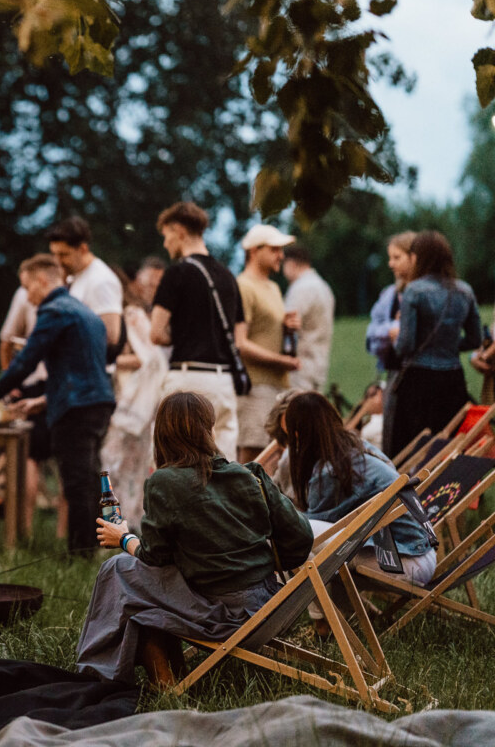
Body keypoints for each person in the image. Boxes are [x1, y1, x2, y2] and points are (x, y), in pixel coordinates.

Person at [76, 391, 312, 688]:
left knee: (119, 570)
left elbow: (153, 558)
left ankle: (106, 675)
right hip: (270, 605)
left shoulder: (166, 482)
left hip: (226, 617)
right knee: (137, 582)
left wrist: (123, 538)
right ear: (208, 430)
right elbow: (301, 539)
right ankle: (161, 675)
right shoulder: (249, 475)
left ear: (162, 435)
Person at [0, 254, 116, 556]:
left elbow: (27, 359)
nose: (28, 296)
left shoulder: (54, 310)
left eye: (28, 287)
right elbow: (80, 369)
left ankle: (79, 555)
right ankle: (92, 548)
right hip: (99, 402)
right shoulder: (84, 312)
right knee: (89, 478)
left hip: (77, 408)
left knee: (76, 482)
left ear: (42, 280)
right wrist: (42, 401)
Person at [284, 391, 436, 630]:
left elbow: (311, 531)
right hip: (418, 553)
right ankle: (350, 619)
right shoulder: (356, 449)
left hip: (406, 562)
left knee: (297, 536)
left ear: (297, 434)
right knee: (321, 547)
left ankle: (323, 624)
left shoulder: (331, 470)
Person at [150, 202, 246, 460]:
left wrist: (181, 335)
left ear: (179, 231)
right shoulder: (228, 276)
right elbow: (239, 338)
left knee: (177, 461)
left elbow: (156, 332)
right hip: (224, 381)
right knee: (225, 462)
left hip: (188, 378)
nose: (165, 243)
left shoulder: (177, 273)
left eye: (167, 235)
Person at [385, 231, 481, 457]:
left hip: (418, 380)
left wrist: (394, 339)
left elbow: (405, 345)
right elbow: (475, 339)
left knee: (414, 449)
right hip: (453, 379)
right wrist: (447, 345)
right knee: (448, 447)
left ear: (418, 258)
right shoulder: (465, 290)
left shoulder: (414, 291)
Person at [100, 257, 169, 525]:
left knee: (121, 467)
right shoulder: (124, 316)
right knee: (121, 469)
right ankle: (121, 525)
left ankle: (125, 525)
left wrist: (109, 362)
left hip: (133, 406)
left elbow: (149, 359)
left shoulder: (132, 315)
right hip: (124, 401)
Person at [236, 224, 301, 463]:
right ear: (254, 251)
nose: (281, 256)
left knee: (274, 456)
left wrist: (285, 325)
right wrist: (282, 360)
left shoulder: (273, 287)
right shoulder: (243, 286)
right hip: (255, 386)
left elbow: (262, 329)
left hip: (276, 385)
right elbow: (241, 343)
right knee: (253, 456)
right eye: (274, 249)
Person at [0, 285, 52, 523]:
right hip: (65, 383)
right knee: (64, 463)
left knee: (31, 459)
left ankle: (26, 529)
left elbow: (6, 340)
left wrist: (8, 379)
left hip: (34, 383)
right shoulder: (75, 288)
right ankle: (64, 537)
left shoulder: (24, 291)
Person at [46, 216, 122, 347]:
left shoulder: (101, 281)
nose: (57, 261)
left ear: (83, 249)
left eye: (64, 255)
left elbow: (111, 336)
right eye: (54, 254)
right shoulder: (74, 276)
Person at [282, 244, 335, 392]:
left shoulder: (301, 288)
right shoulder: (324, 287)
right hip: (319, 362)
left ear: (291, 264)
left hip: (301, 365)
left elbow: (287, 323)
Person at [365, 231, 416, 372]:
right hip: (394, 373)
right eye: (390, 258)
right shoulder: (389, 295)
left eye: (397, 257)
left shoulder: (430, 294)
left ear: (414, 257)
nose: (390, 264)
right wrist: (391, 329)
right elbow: (370, 339)